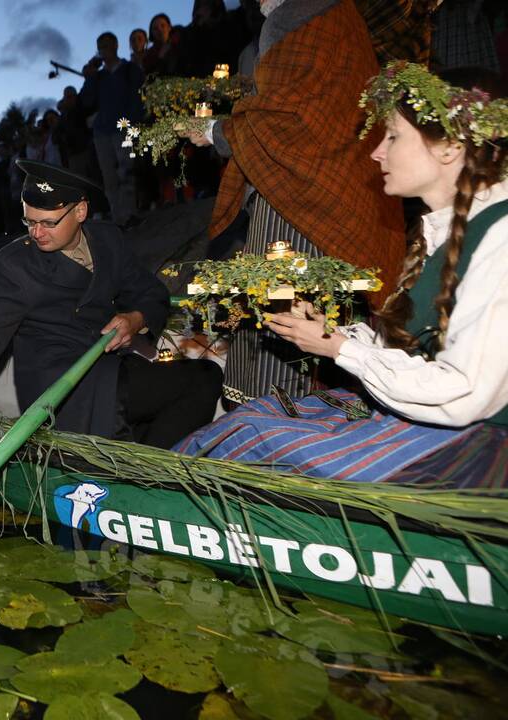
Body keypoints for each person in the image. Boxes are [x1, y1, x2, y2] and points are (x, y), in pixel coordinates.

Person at [176, 64, 508, 486]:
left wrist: (338, 349)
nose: (377, 152)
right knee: (255, 415)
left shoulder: (501, 235)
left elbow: (463, 394)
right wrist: (332, 332)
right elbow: (414, 351)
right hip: (433, 425)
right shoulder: (445, 228)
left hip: (466, 451)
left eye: (392, 136)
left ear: (449, 147)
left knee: (257, 437)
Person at [0, 160, 222, 464]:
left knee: (206, 376)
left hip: (110, 366)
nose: (37, 233)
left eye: (49, 222)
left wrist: (135, 319)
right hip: (61, 387)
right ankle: (148, 469)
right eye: (29, 222)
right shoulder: (13, 267)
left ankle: (149, 469)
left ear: (81, 212)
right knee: (199, 380)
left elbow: (150, 293)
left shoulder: (108, 241)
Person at [180, 0, 406, 405]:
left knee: (281, 311)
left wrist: (216, 131)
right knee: (333, 307)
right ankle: (330, 413)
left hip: (297, 191)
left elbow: (282, 116)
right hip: (347, 183)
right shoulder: (342, 13)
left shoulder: (294, 16)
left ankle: (270, 424)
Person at [80, 32, 145, 227]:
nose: (104, 49)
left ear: (116, 45)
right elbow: (86, 101)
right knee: (109, 176)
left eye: (107, 45)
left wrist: (134, 122)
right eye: (100, 46)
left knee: (126, 172)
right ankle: (118, 217)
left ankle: (130, 213)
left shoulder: (128, 69)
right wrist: (89, 76)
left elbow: (138, 96)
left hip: (123, 127)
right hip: (102, 132)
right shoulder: (98, 77)